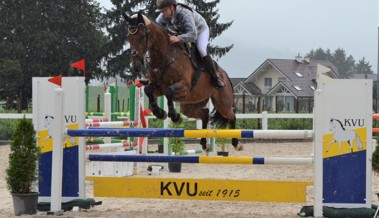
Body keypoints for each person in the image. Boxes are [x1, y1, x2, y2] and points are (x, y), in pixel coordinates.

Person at [155, 0, 225, 89]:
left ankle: (215, 78)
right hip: (181, 32)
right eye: (161, 11)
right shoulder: (163, 16)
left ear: (172, 7)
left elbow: (192, 34)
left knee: (202, 49)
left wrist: (178, 38)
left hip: (199, 31)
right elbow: (158, 27)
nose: (163, 13)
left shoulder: (184, 13)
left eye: (164, 10)